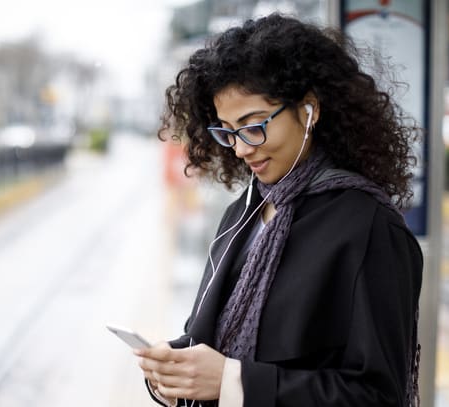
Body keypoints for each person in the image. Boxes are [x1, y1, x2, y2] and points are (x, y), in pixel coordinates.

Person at [136, 13, 423, 407]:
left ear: (309, 110)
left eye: (254, 125)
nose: (240, 148)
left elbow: (377, 396)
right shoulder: (244, 211)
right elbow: (211, 337)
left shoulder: (369, 227)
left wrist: (233, 383)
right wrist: (173, 370)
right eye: (227, 131)